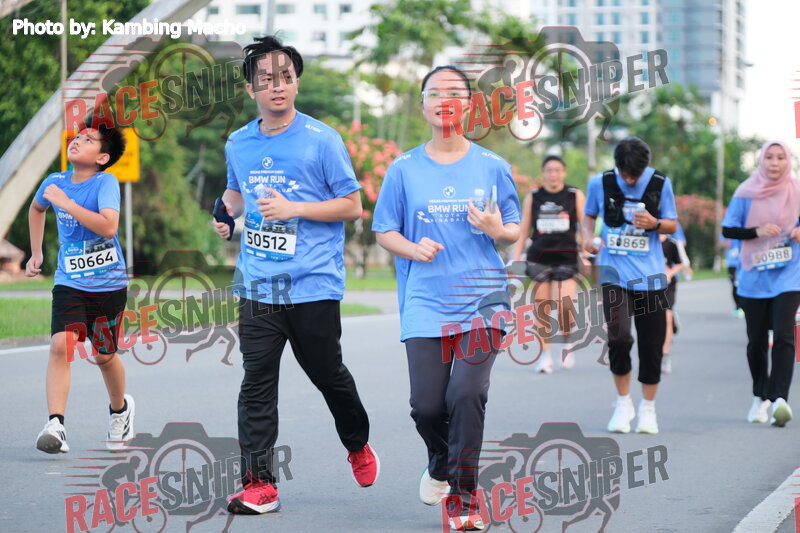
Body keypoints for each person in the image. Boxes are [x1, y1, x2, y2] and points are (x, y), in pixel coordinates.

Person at [214, 35, 378, 515]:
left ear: (296, 83)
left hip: (312, 283)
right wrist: (225, 214)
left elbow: (352, 205)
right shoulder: (238, 143)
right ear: (251, 89)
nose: (277, 86)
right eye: (266, 80)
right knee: (256, 383)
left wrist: (294, 209)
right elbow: (236, 194)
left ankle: (357, 442)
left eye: (285, 77)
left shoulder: (322, 139)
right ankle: (259, 484)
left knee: (328, 374)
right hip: (257, 282)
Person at [372, 65, 521, 531]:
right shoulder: (403, 168)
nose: (444, 101)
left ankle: (464, 496)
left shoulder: (492, 166)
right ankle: (441, 461)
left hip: (482, 300)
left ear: (470, 105)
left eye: (454, 93)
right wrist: (412, 248)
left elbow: (514, 228)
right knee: (427, 406)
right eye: (435, 93)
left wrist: (497, 229)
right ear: (423, 105)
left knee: (466, 393)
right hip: (426, 300)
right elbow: (383, 230)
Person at [26, 115, 134, 453]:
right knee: (61, 345)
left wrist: (67, 204)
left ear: (102, 157)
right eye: (77, 136)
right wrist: (36, 253)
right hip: (69, 281)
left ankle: (120, 410)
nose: (77, 141)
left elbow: (108, 227)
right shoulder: (55, 181)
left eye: (88, 140)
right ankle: (55, 425)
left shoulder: (105, 182)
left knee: (104, 356)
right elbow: (36, 209)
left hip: (108, 285)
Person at [583, 137, 678, 434]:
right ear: (617, 167)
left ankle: (648, 408)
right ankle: (623, 402)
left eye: (635, 176)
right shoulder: (600, 183)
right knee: (620, 338)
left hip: (651, 277)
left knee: (651, 346)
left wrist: (654, 224)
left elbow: (673, 224)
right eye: (626, 175)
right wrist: (587, 238)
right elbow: (588, 216)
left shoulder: (660, 183)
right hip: (614, 275)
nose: (630, 181)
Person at [721, 141, 800, 427]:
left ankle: (779, 400)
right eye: (769, 157)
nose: (775, 163)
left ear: (788, 161)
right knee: (756, 341)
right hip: (754, 274)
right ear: (761, 160)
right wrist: (757, 231)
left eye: (780, 157)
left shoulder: (797, 189)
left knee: (784, 335)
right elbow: (728, 228)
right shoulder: (746, 192)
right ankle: (760, 396)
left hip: (789, 274)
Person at [511, 154, 585, 373]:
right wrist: (516, 257)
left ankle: (567, 341)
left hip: (566, 258)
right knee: (541, 308)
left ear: (564, 172)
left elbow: (585, 226)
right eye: (549, 170)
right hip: (539, 258)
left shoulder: (574, 195)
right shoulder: (534, 197)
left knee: (564, 306)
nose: (554, 174)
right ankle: (545, 356)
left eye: (557, 170)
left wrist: (586, 250)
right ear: (543, 173)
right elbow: (524, 229)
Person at [659, 233, 684, 375]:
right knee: (653, 321)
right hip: (649, 285)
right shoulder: (646, 240)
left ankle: (665, 355)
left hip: (668, 286)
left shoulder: (672, 243)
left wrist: (669, 273)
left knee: (666, 320)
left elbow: (680, 263)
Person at [723, 237, 744, 317]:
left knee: (744, 285)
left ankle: (744, 306)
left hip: (744, 262)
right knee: (735, 285)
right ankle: (738, 307)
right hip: (733, 264)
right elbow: (726, 244)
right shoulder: (728, 230)